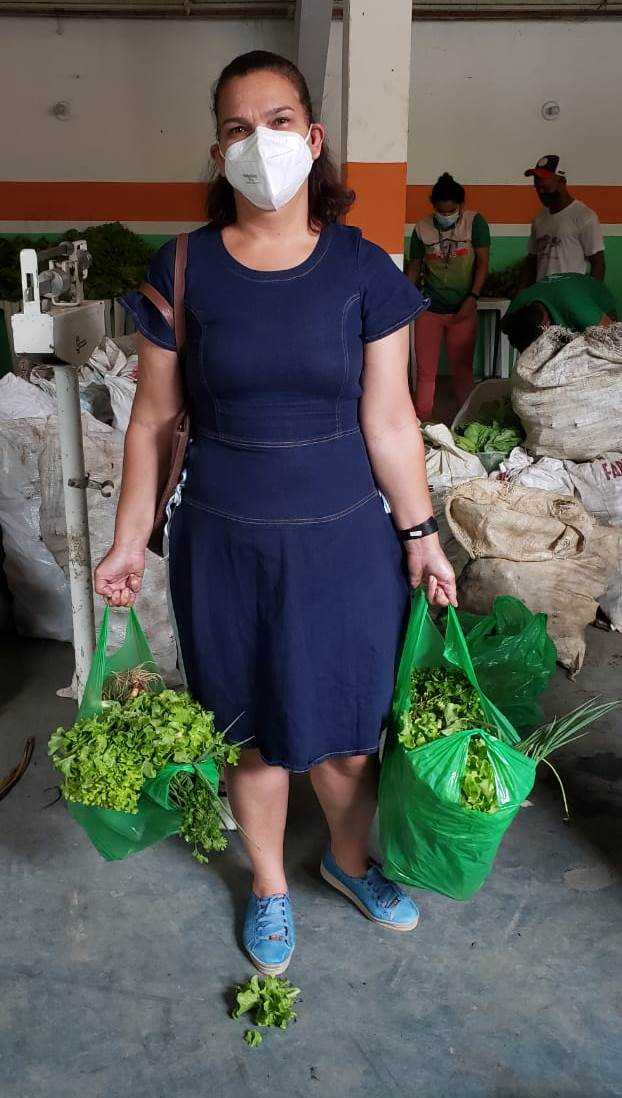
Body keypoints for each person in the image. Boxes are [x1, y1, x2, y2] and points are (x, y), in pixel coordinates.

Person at [95, 51, 457, 975]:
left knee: (344, 729)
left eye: (281, 120)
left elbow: (389, 420)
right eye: (238, 126)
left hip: (344, 540)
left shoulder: (366, 271)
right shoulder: (181, 269)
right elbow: (154, 420)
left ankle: (346, 861)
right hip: (224, 538)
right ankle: (267, 884)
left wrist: (421, 535)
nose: (262, 142)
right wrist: (129, 539)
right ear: (217, 148)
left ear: (314, 137)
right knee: (246, 731)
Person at [408, 173, 490, 421]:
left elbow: (483, 263)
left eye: (451, 211)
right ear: (433, 208)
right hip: (430, 309)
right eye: (441, 212)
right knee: (426, 371)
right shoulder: (422, 229)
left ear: (460, 207)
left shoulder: (475, 223)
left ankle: (463, 422)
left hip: (463, 308)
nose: (446, 216)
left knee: (462, 370)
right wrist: (407, 301)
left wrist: (472, 297)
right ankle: (422, 423)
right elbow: (414, 268)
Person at [522, 155, 605, 285]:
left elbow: (598, 263)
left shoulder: (584, 216)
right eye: (537, 187)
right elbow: (532, 260)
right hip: (543, 297)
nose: (540, 190)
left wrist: (590, 295)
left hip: (570, 297)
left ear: (561, 181)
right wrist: (522, 291)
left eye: (545, 185)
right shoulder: (539, 219)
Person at [502, 273, 617, 353]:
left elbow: (614, 337)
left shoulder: (581, 310)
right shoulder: (515, 310)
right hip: (561, 293)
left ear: (546, 325)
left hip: (598, 300)